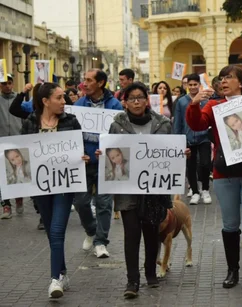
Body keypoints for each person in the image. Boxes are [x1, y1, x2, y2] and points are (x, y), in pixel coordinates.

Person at [186, 65, 242, 298]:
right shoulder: (214, 106)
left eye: (229, 77)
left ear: (241, 83)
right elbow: (197, 125)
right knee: (230, 225)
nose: (223, 81)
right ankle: (233, 270)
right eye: (221, 78)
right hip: (224, 173)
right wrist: (194, 103)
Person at [97, 82, 172, 298]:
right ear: (125, 102)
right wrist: (103, 157)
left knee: (151, 232)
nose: (137, 101)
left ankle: (150, 273)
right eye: (132, 98)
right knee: (131, 234)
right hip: (126, 188)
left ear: (147, 100)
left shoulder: (163, 124)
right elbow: (111, 152)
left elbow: (171, 153)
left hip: (154, 188)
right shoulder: (117, 125)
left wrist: (180, 154)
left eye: (140, 97)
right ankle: (132, 281)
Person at [21, 82, 90, 298]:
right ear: (45, 101)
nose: (64, 102)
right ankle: (62, 272)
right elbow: (23, 152)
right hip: (41, 186)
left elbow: (80, 147)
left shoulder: (70, 121)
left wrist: (84, 158)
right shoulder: (31, 122)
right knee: (51, 231)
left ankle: (54, 280)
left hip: (64, 183)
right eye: (59, 98)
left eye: (64, 97)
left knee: (58, 229)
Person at [73, 69, 123, 258]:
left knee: (104, 203)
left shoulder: (115, 105)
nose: (84, 83)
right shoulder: (79, 104)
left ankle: (101, 241)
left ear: (100, 83)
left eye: (88, 80)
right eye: (84, 80)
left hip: (105, 162)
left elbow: (120, 133)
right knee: (81, 202)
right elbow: (72, 133)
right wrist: (80, 152)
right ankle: (91, 231)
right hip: (84, 162)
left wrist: (108, 149)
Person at [174, 73, 212, 205]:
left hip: (204, 137)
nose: (192, 87)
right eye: (190, 85)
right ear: (186, 85)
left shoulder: (205, 100)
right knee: (190, 166)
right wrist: (177, 139)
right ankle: (195, 191)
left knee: (205, 163)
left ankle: (205, 189)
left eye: (195, 84)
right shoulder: (181, 101)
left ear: (199, 85)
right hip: (188, 138)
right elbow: (178, 121)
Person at [0, 74, 25, 220]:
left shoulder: (19, 100)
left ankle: (19, 197)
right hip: (1, 141)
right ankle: (6, 205)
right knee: (2, 174)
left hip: (18, 140)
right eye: (4, 84)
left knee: (17, 173)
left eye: (9, 83)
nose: (7, 86)